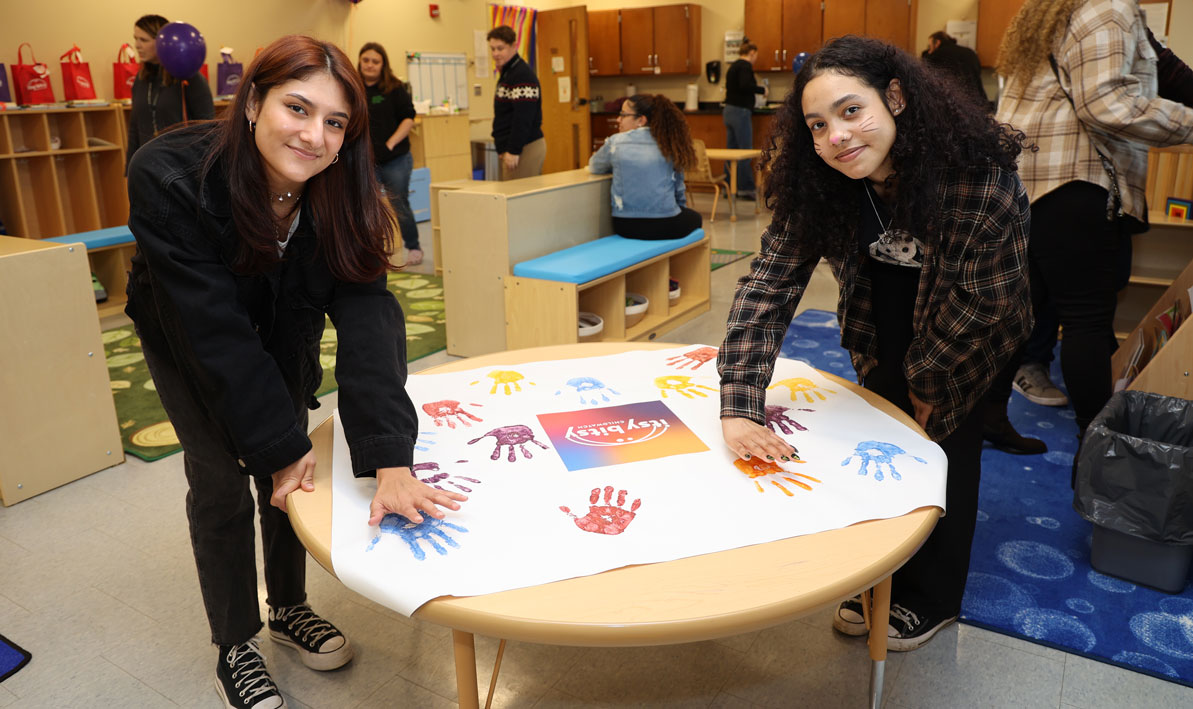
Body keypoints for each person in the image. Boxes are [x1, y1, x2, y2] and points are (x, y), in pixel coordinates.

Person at [125, 36, 467, 709]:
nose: (313, 136)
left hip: (284, 317)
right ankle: (234, 640)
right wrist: (273, 446)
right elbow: (214, 333)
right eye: (297, 108)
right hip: (188, 329)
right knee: (225, 474)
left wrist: (390, 455)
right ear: (254, 101)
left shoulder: (345, 193)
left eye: (334, 122)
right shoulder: (167, 172)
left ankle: (287, 605)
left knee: (292, 468)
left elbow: (370, 318)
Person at [717, 35, 1032, 651]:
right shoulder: (825, 183)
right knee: (882, 436)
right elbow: (769, 286)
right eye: (817, 124)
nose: (836, 136)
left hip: (974, 329)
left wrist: (929, 386)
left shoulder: (974, 176)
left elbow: (980, 304)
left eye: (851, 111)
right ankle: (882, 572)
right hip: (883, 317)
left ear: (895, 98)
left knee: (944, 446)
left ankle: (932, 597)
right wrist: (739, 399)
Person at [996, 0, 1193, 445]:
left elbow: (1167, 69)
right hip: (1078, 181)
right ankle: (1095, 448)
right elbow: (1108, 105)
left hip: (1031, 184)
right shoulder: (1108, 6)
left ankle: (989, 419)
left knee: (1019, 318)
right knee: (1087, 321)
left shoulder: (1056, 10)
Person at [587, 94, 702, 240]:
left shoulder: (615, 142)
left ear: (641, 120)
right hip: (665, 223)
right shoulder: (669, 143)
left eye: (623, 115)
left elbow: (594, 166)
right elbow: (679, 189)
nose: (618, 120)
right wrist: (680, 210)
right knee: (696, 218)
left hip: (625, 226)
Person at [358, 42, 423, 266]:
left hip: (395, 159)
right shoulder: (354, 88)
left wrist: (390, 144)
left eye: (375, 61)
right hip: (367, 161)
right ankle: (374, 250)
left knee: (399, 204)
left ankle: (413, 247)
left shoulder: (394, 88)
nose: (370, 65)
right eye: (366, 60)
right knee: (368, 206)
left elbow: (408, 118)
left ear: (383, 64)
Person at [126, 14, 214, 169]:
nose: (137, 45)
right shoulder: (141, 79)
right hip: (148, 167)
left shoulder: (189, 78)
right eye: (136, 39)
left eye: (144, 40)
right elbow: (134, 128)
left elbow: (207, 127)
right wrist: (129, 168)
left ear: (161, 42)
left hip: (181, 166)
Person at [488, 25, 545, 180]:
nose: (495, 54)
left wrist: (513, 150)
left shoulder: (522, 75)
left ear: (514, 46)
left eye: (500, 48)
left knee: (520, 199)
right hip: (513, 148)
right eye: (492, 49)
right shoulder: (508, 73)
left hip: (524, 147)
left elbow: (523, 117)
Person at [723, 41, 766, 200]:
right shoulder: (745, 66)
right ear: (752, 53)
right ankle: (746, 189)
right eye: (756, 55)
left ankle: (728, 187)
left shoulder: (733, 66)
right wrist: (762, 89)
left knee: (731, 152)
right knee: (745, 152)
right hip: (740, 111)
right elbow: (745, 85)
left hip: (728, 111)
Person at [922, 30, 987, 106]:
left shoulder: (937, 55)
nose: (929, 51)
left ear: (937, 43)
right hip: (978, 101)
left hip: (955, 103)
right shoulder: (970, 52)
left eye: (930, 47)